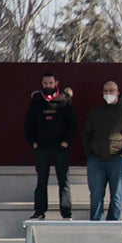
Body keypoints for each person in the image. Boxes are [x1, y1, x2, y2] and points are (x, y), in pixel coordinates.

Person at [83, 80, 122, 221]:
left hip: (117, 160)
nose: (108, 93)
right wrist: (89, 153)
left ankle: (113, 223)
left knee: (116, 194)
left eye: (111, 90)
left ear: (118, 92)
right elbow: (87, 133)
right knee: (96, 194)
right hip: (96, 160)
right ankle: (96, 223)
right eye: (105, 91)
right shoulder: (96, 112)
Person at [24, 71, 78, 220]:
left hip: (61, 147)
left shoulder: (65, 99)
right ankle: (40, 212)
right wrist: (33, 143)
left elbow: (73, 124)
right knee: (41, 181)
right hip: (42, 147)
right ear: (42, 84)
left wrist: (66, 142)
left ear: (56, 83)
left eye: (51, 83)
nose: (48, 86)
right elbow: (29, 124)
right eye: (45, 83)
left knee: (63, 181)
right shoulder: (36, 100)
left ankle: (66, 213)